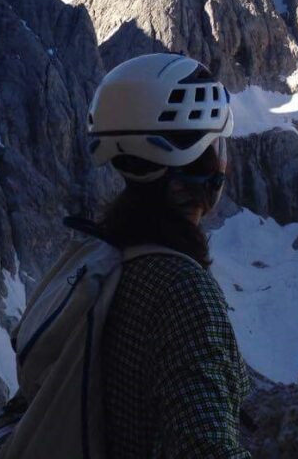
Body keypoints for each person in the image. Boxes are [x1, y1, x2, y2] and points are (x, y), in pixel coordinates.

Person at [86, 53, 251, 458]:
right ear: (199, 167)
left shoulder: (102, 258)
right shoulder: (182, 292)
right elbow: (204, 449)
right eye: (216, 145)